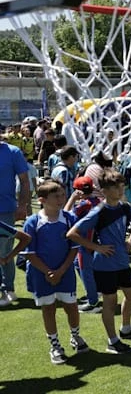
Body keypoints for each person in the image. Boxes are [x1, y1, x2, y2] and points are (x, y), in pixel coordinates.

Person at [66, 169, 131, 354]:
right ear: (104, 190)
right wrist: (97, 248)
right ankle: (112, 342)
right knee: (110, 302)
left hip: (121, 261)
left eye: (121, 186)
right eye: (115, 187)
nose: (120, 190)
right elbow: (72, 234)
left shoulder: (125, 207)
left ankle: (126, 329)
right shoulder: (98, 211)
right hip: (104, 264)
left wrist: (130, 240)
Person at [21, 181, 88, 364]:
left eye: (62, 195)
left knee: (71, 306)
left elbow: (74, 247)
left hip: (65, 273)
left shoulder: (68, 219)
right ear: (42, 200)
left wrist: (61, 270)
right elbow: (29, 253)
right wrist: (49, 272)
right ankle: (55, 345)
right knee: (48, 309)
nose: (61, 199)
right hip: (41, 275)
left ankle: (75, 336)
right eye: (56, 196)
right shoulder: (32, 222)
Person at [64, 176, 102, 313]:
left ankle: (93, 302)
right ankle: (94, 292)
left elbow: (66, 214)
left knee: (85, 271)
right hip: (92, 241)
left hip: (84, 243)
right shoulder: (98, 201)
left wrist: (72, 199)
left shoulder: (84, 204)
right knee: (78, 266)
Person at [0, 135, 29, 306]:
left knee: (4, 250)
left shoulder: (12, 151)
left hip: (5, 209)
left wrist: (22, 205)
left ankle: (8, 289)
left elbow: (24, 181)